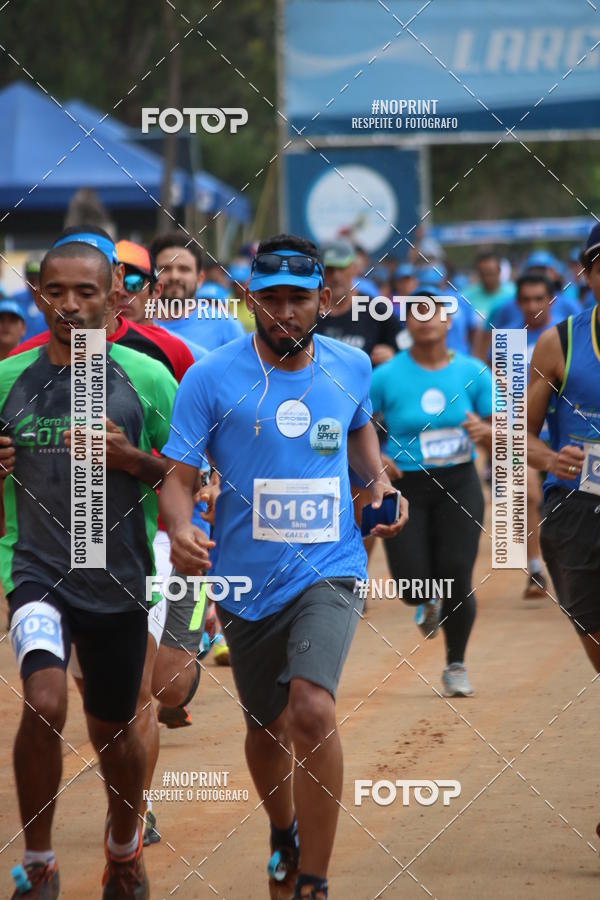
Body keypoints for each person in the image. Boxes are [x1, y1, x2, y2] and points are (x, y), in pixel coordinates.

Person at [158, 233, 408, 900]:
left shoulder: (352, 366)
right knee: (264, 729)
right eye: (271, 299)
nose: (285, 312)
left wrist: (380, 485)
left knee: (312, 709)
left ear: (323, 300)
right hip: (244, 579)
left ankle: (315, 883)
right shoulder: (209, 378)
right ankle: (282, 831)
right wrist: (182, 528)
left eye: (299, 299)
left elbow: (359, 433)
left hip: (330, 567)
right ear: (249, 300)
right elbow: (176, 478)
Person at [0, 236, 177, 899]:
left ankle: (124, 850)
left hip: (118, 574)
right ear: (38, 294)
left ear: (113, 299)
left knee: (114, 729)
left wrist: (135, 461)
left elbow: (189, 477)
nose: (70, 305)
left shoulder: (148, 377)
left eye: (86, 292)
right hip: (35, 571)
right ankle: (40, 865)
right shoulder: (8, 379)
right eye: (56, 291)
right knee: (44, 703)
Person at [370, 294, 493, 697]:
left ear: (448, 320)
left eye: (433, 312)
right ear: (407, 323)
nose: (424, 320)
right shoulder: (386, 376)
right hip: (406, 486)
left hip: (459, 482)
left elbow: (506, 428)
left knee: (457, 573)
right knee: (409, 584)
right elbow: (360, 425)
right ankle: (425, 602)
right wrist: (379, 460)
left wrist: (488, 433)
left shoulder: (473, 372)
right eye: (415, 313)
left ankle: (455, 664)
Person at [528, 225, 600, 759]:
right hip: (578, 512)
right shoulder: (562, 341)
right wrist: (551, 458)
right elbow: (514, 431)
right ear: (588, 274)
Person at [149, 232, 244, 352]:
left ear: (200, 279)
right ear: (151, 276)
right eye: (165, 269)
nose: (174, 276)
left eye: (184, 269)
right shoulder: (135, 323)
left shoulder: (226, 326)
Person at [316, 239, 403, 365]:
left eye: (341, 268)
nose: (336, 276)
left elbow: (408, 347)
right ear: (320, 272)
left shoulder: (375, 309)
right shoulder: (310, 310)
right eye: (330, 269)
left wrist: (393, 354)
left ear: (355, 269)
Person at [464, 250, 515, 319]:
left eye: (490, 273)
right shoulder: (466, 297)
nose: (487, 278)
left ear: (499, 270)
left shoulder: (514, 293)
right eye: (483, 274)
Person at [10, 258, 46, 340]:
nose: (34, 284)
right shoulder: (14, 299)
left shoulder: (52, 301)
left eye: (38, 279)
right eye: (31, 279)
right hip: (20, 350)